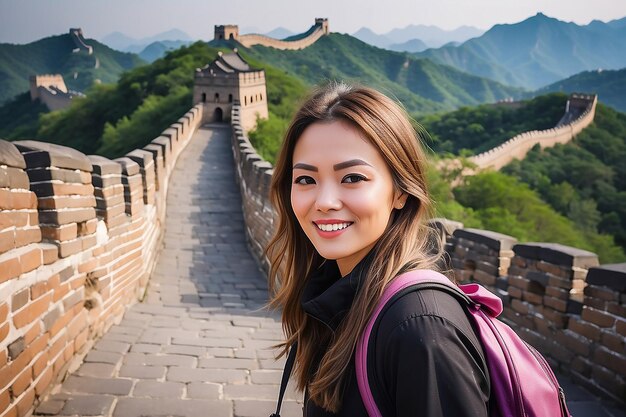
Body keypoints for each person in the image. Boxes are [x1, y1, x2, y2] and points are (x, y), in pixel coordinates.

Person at [266, 83, 490, 416]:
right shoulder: (336, 295)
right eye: (306, 180)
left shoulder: (420, 329)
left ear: (401, 191)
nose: (324, 202)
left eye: (352, 178)